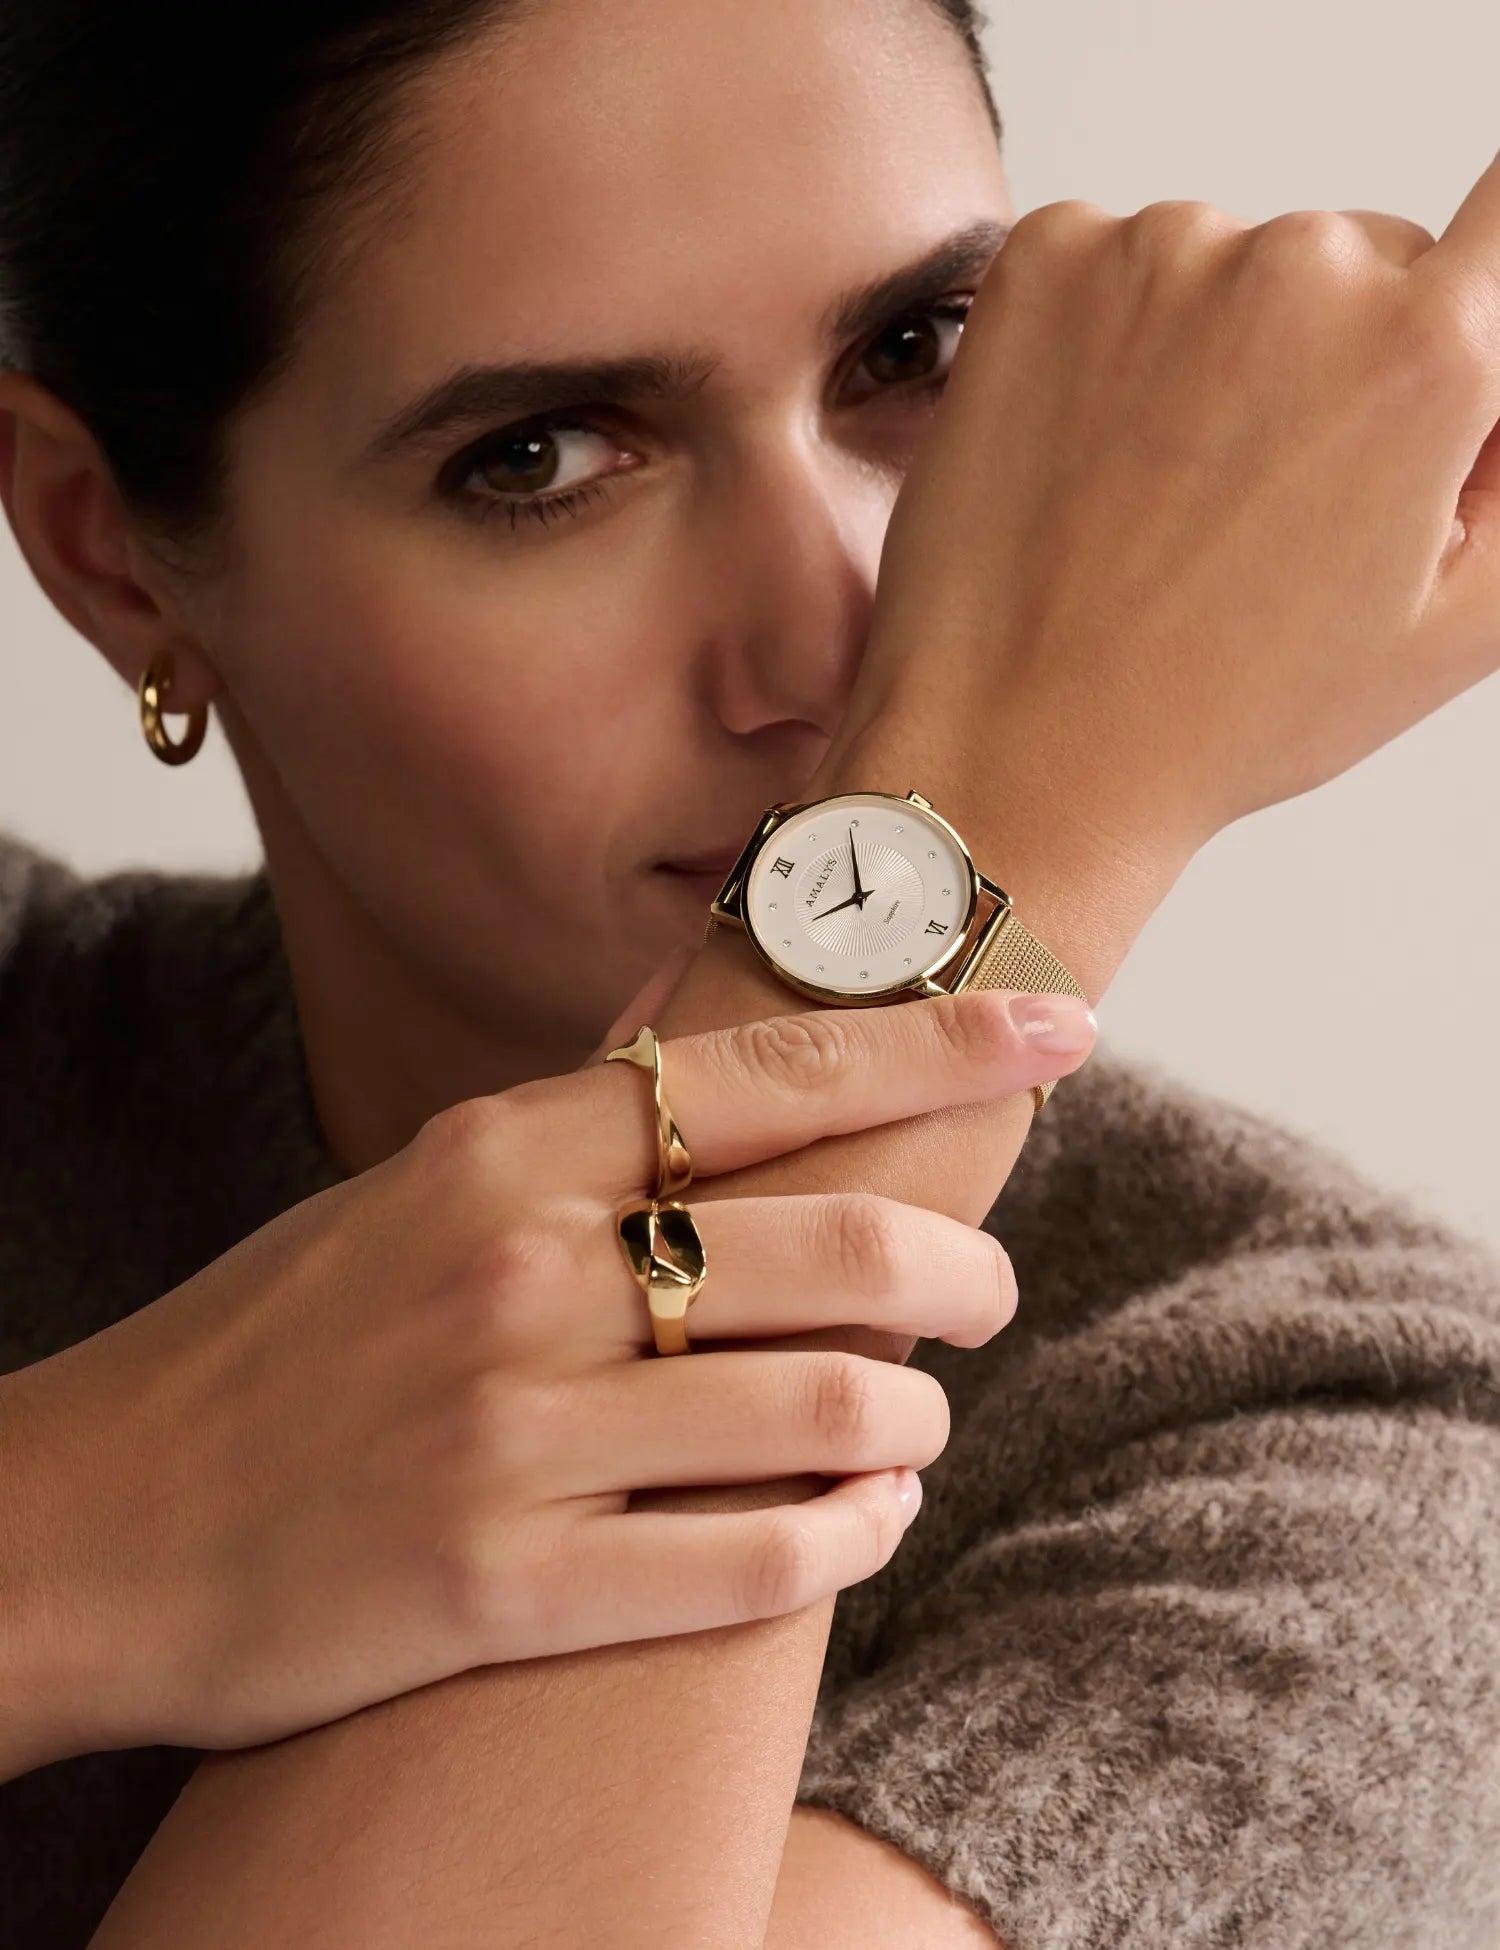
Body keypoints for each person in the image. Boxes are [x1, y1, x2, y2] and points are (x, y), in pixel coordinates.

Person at [1, 1, 1498, 1945]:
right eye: (540, 457)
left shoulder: (1316, 1436)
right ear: (109, 554)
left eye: (917, 352)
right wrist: (97, 1522)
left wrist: (997, 809)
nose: (839, 641)